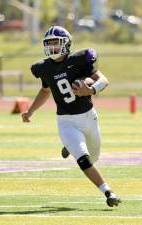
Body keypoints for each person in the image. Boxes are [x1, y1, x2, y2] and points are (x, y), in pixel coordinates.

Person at [22, 25, 121, 207]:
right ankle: (108, 191)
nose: (52, 47)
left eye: (56, 43)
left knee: (94, 156)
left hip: (89, 117)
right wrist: (31, 111)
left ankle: (70, 146)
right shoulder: (45, 68)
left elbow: (104, 80)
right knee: (83, 159)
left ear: (66, 44)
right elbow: (45, 91)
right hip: (66, 121)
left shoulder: (80, 60)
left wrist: (90, 89)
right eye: (49, 44)